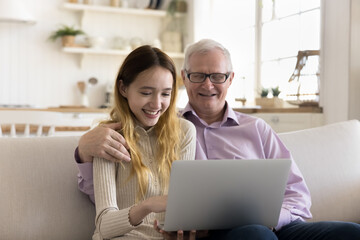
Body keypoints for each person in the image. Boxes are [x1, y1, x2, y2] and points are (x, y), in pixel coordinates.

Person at [75, 39, 360, 240]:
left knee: (349, 232)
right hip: (227, 233)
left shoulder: (256, 129)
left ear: (231, 78)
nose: (208, 84)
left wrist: (273, 218)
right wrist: (84, 150)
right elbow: (121, 197)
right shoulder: (172, 128)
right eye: (198, 75)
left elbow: (298, 196)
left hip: (278, 226)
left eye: (218, 76)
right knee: (255, 235)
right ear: (185, 79)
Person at [87, 45, 196, 240]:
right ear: (123, 88)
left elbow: (184, 207)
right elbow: (104, 226)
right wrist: (147, 206)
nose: (156, 104)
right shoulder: (108, 137)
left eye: (165, 94)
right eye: (146, 93)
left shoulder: (185, 132)